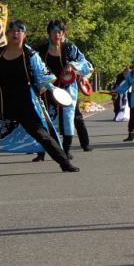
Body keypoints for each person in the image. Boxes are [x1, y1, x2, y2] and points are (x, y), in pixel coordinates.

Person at [0, 20, 79, 177]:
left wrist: (53, 89)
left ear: (25, 35)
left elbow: (44, 78)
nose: (15, 33)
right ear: (7, 34)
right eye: (12, 30)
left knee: (41, 134)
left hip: (25, 103)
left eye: (19, 30)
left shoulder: (31, 55)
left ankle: (64, 163)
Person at [34, 19, 94, 161]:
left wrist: (73, 65)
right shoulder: (41, 50)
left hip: (68, 90)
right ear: (49, 33)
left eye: (59, 32)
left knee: (68, 119)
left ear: (64, 33)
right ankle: (41, 152)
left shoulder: (70, 48)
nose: (57, 35)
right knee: (45, 120)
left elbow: (86, 64)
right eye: (54, 31)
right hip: (47, 90)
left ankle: (66, 150)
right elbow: (34, 67)